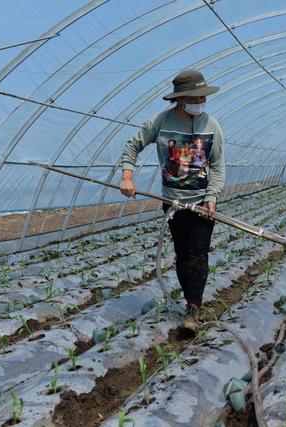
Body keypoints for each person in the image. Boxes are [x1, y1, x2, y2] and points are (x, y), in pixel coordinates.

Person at [120, 69, 225, 333]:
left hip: (201, 202)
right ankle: (190, 298)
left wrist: (211, 198)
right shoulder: (161, 122)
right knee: (182, 254)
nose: (200, 102)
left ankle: (193, 307)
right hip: (174, 204)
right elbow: (132, 145)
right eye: (195, 97)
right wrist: (127, 176)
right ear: (181, 99)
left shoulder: (211, 125)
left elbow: (218, 166)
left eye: (203, 97)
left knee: (198, 254)